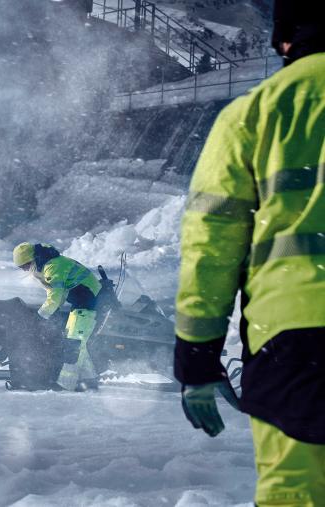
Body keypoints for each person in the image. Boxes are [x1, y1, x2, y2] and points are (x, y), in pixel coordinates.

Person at [174, 2, 325, 505]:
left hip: (295, 342)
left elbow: (210, 249)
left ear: (284, 41)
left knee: (294, 490)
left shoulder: (253, 113)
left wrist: (198, 359)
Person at [13, 242, 101, 391]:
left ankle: (65, 384)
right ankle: (90, 380)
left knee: (73, 345)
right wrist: (51, 313)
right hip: (81, 302)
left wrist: (41, 316)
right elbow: (55, 294)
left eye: (26, 265)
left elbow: (56, 295)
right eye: (22, 268)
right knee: (78, 343)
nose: (26, 269)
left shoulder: (53, 266)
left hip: (88, 302)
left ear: (33, 259)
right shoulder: (46, 265)